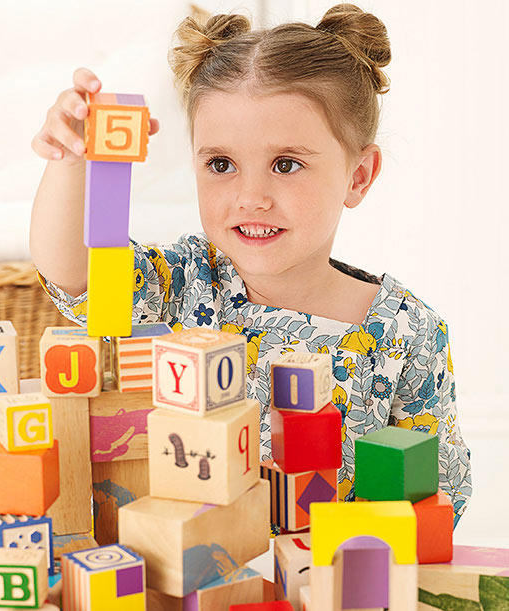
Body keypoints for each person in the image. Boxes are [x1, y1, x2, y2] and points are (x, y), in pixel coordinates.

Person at [30, 4, 471, 525]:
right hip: (184, 560)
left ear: (358, 176)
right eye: (221, 164)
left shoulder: (407, 331)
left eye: (286, 164)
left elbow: (433, 502)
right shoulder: (186, 282)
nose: (250, 197)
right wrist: (70, 161)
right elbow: (74, 275)